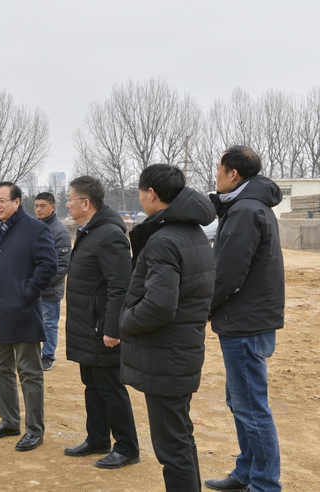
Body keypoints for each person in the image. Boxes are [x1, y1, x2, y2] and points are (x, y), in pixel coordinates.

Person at [119, 164, 215, 491]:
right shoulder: (192, 233)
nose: (140, 198)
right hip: (180, 349)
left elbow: (159, 305)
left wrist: (126, 321)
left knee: (172, 447)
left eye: (140, 192)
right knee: (180, 438)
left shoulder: (164, 240)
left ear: (152, 194)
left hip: (166, 355)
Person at [204, 146, 284, 492]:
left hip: (245, 322)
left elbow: (229, 273)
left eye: (218, 169)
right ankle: (247, 472)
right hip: (247, 319)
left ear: (233, 174)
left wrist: (204, 307)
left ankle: (264, 484)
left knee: (251, 406)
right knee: (241, 402)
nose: (216, 175)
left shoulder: (245, 210)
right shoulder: (247, 206)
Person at [63, 176, 140, 469]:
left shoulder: (109, 234)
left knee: (110, 388)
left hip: (101, 328)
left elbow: (120, 285)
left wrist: (112, 329)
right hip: (87, 325)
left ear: (85, 203)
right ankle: (97, 438)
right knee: (92, 385)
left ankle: (127, 447)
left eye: (70, 199)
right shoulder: (90, 230)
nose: (67, 204)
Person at [0, 182, 57, 452]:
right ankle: (9, 421)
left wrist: (27, 292)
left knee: (29, 373)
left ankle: (35, 429)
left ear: (17, 202)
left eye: (2, 200)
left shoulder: (36, 229)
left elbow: (48, 265)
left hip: (23, 312)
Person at [33, 192, 72, 371]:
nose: (39, 209)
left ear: (53, 207)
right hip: (32, 287)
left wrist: (42, 282)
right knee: (33, 322)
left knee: (49, 324)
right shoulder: (33, 227)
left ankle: (48, 355)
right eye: (36, 206)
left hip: (49, 289)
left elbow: (62, 266)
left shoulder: (60, 231)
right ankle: (34, 354)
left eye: (42, 206)